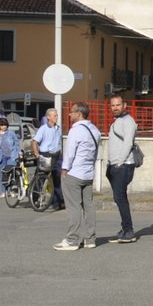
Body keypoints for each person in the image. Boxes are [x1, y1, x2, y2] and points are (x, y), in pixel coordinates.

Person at [54, 102, 103, 251]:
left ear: (79, 114)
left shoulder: (75, 131)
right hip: (88, 173)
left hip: (74, 173)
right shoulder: (94, 129)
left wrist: (64, 169)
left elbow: (70, 153)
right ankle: (90, 239)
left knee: (73, 207)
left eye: (72, 112)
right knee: (88, 206)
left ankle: (72, 240)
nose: (70, 114)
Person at [106, 95, 140, 243]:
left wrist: (119, 162)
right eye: (113, 105)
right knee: (119, 198)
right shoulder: (117, 121)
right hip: (115, 165)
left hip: (124, 165)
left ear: (124, 105)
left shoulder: (128, 121)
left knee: (120, 198)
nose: (115, 107)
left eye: (118, 105)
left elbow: (127, 143)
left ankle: (128, 231)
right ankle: (125, 228)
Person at [33, 109, 64, 209]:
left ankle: (57, 202)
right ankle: (35, 199)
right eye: (54, 115)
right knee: (40, 178)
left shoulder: (58, 128)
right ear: (48, 117)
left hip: (57, 155)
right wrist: (36, 154)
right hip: (45, 155)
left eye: (57, 115)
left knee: (57, 179)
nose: (56, 117)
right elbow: (34, 141)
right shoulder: (43, 128)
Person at [0, 117, 21, 198]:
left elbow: (17, 143)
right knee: (3, 174)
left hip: (11, 156)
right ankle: (4, 191)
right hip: (1, 157)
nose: (4, 126)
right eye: (2, 125)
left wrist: (19, 153)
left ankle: (12, 190)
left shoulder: (11, 133)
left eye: (5, 125)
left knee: (12, 173)